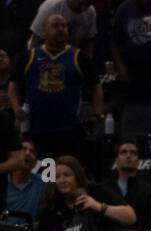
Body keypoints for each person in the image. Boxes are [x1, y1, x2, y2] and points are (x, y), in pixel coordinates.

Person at [11, 13, 101, 164]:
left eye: (64, 26)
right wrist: (16, 108)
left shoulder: (79, 56)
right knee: (47, 175)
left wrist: (98, 111)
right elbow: (13, 84)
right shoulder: (28, 56)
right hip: (37, 130)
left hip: (69, 130)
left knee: (67, 173)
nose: (60, 29)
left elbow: (96, 85)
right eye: (55, 26)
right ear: (44, 31)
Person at [6, 136, 43, 220]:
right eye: (23, 149)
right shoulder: (2, 181)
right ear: (11, 155)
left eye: (32, 152)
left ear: (35, 162)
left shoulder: (43, 183)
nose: (27, 153)